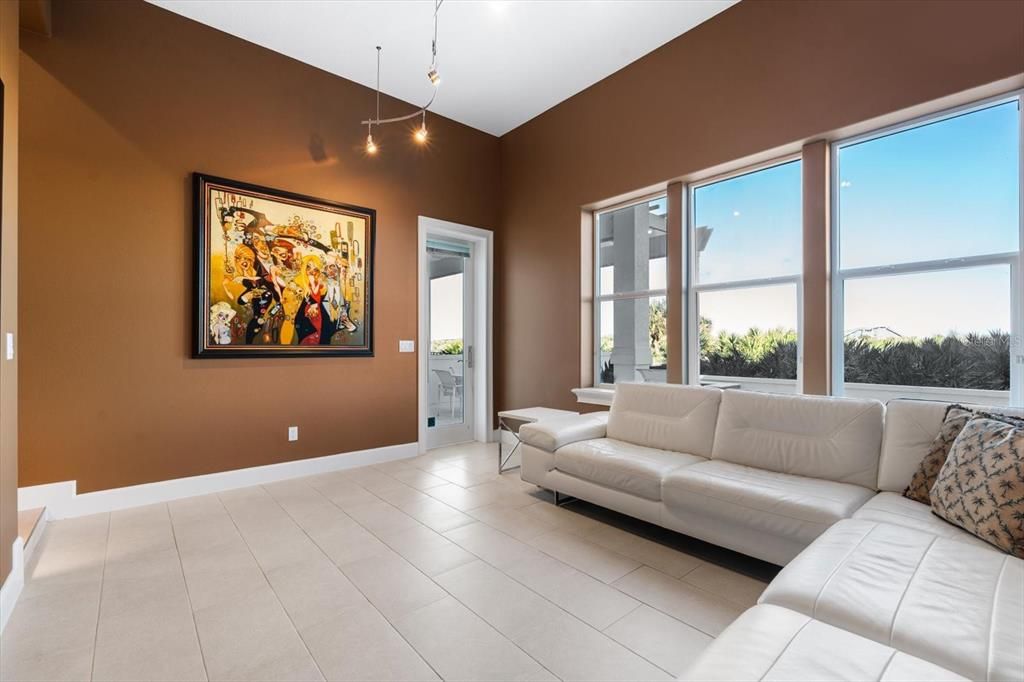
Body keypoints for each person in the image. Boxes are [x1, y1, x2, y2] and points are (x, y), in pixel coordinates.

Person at [295, 254, 337, 345]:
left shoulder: (319, 280)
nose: (311, 271)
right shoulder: (301, 281)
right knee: (310, 331)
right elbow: (312, 293)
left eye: (315, 268)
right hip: (309, 309)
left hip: (318, 308)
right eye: (308, 267)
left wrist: (318, 283)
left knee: (323, 329)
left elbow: (318, 293)